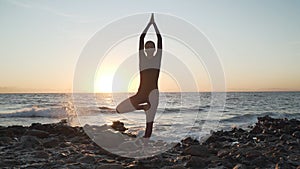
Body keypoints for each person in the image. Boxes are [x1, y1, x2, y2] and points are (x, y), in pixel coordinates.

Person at [116, 13, 162, 138]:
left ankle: (145, 147)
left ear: (154, 49)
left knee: (149, 125)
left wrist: (155, 25)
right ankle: (144, 108)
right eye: (147, 47)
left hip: (153, 94)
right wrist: (149, 24)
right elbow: (141, 38)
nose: (149, 48)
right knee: (119, 109)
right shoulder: (142, 59)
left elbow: (160, 39)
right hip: (141, 93)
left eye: (151, 47)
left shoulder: (157, 59)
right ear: (145, 49)